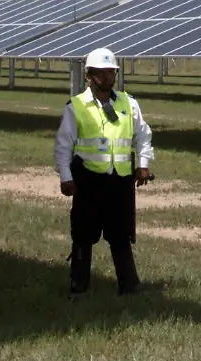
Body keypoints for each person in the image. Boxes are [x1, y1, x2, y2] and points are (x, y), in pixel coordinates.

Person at [54, 47, 153, 295]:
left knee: (121, 235)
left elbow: (143, 136)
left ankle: (129, 286)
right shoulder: (76, 107)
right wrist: (66, 178)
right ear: (89, 75)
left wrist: (142, 164)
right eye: (101, 73)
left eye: (111, 73)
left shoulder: (129, 105)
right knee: (83, 235)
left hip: (120, 181)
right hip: (88, 181)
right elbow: (63, 146)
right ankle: (78, 286)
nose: (107, 78)